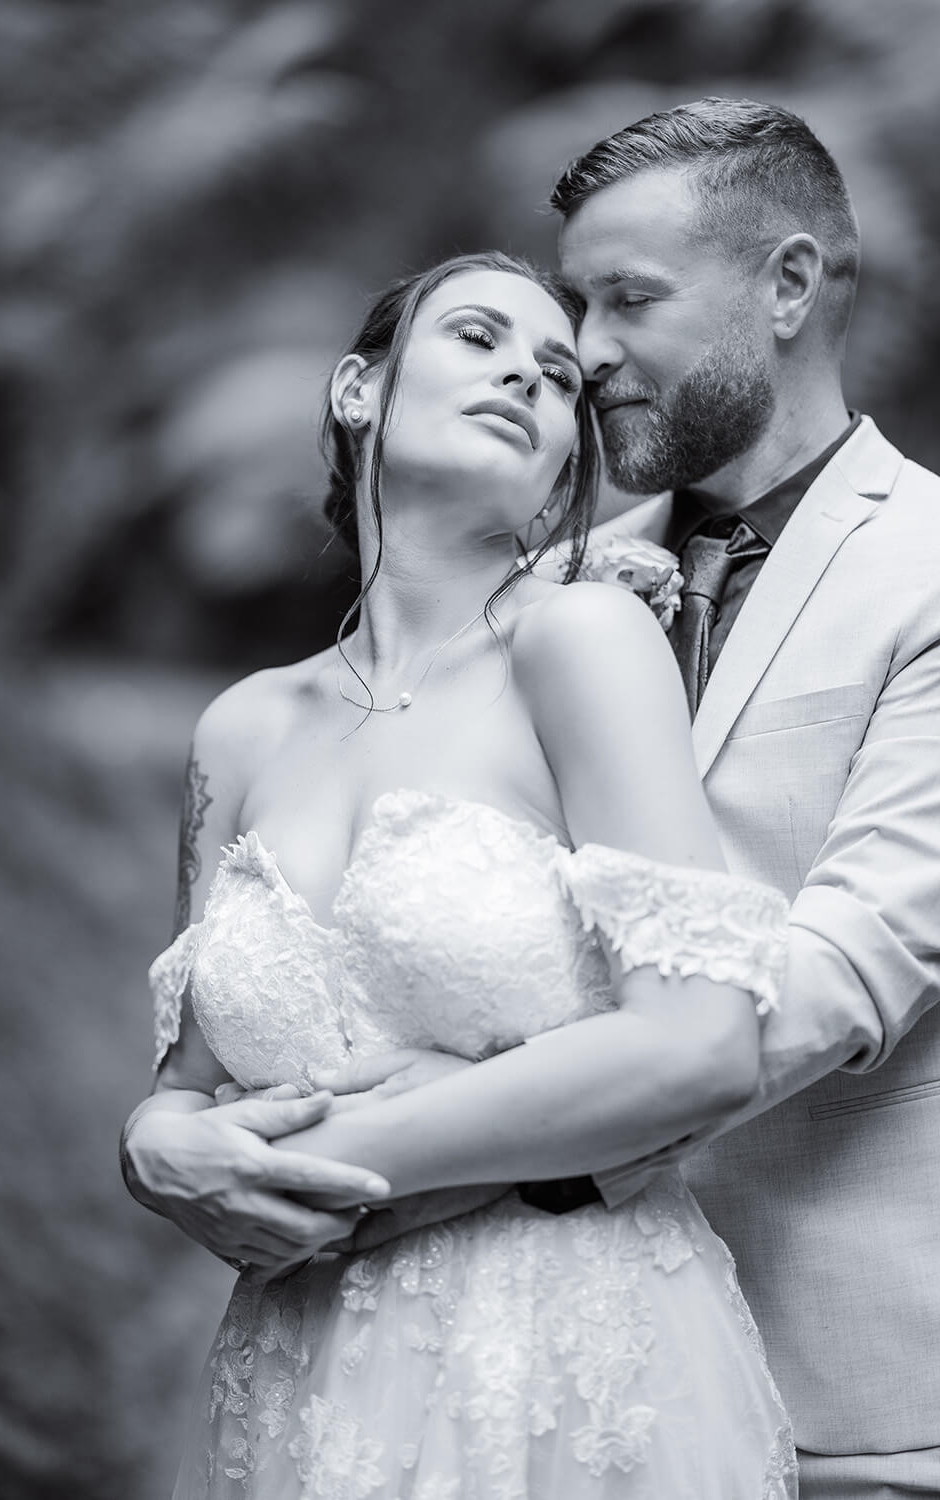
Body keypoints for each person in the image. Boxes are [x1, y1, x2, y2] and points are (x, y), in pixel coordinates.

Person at [122, 249, 797, 1497]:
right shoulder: (241, 730)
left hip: (556, 1351)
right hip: (301, 1376)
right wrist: (151, 1150)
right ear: (356, 391)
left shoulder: (580, 642)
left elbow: (703, 1043)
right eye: (478, 338)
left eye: (555, 378)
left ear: (560, 471)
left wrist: (361, 1154)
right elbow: (189, 1085)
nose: (524, 377)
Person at [546, 98, 940, 1500]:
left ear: (787, 285)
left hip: (845, 1397)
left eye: (629, 300)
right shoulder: (543, 591)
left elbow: (848, 970)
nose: (584, 353)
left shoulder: (933, 568)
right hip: (544, 1372)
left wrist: (481, 1153)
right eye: (573, 303)